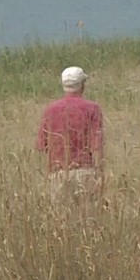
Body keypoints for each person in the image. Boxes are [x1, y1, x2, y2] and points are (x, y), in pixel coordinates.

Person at [36, 66, 104, 200]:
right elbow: (96, 145)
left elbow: (41, 146)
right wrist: (100, 174)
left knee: (61, 218)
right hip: (85, 171)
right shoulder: (92, 108)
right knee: (87, 217)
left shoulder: (50, 110)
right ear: (82, 85)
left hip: (58, 173)